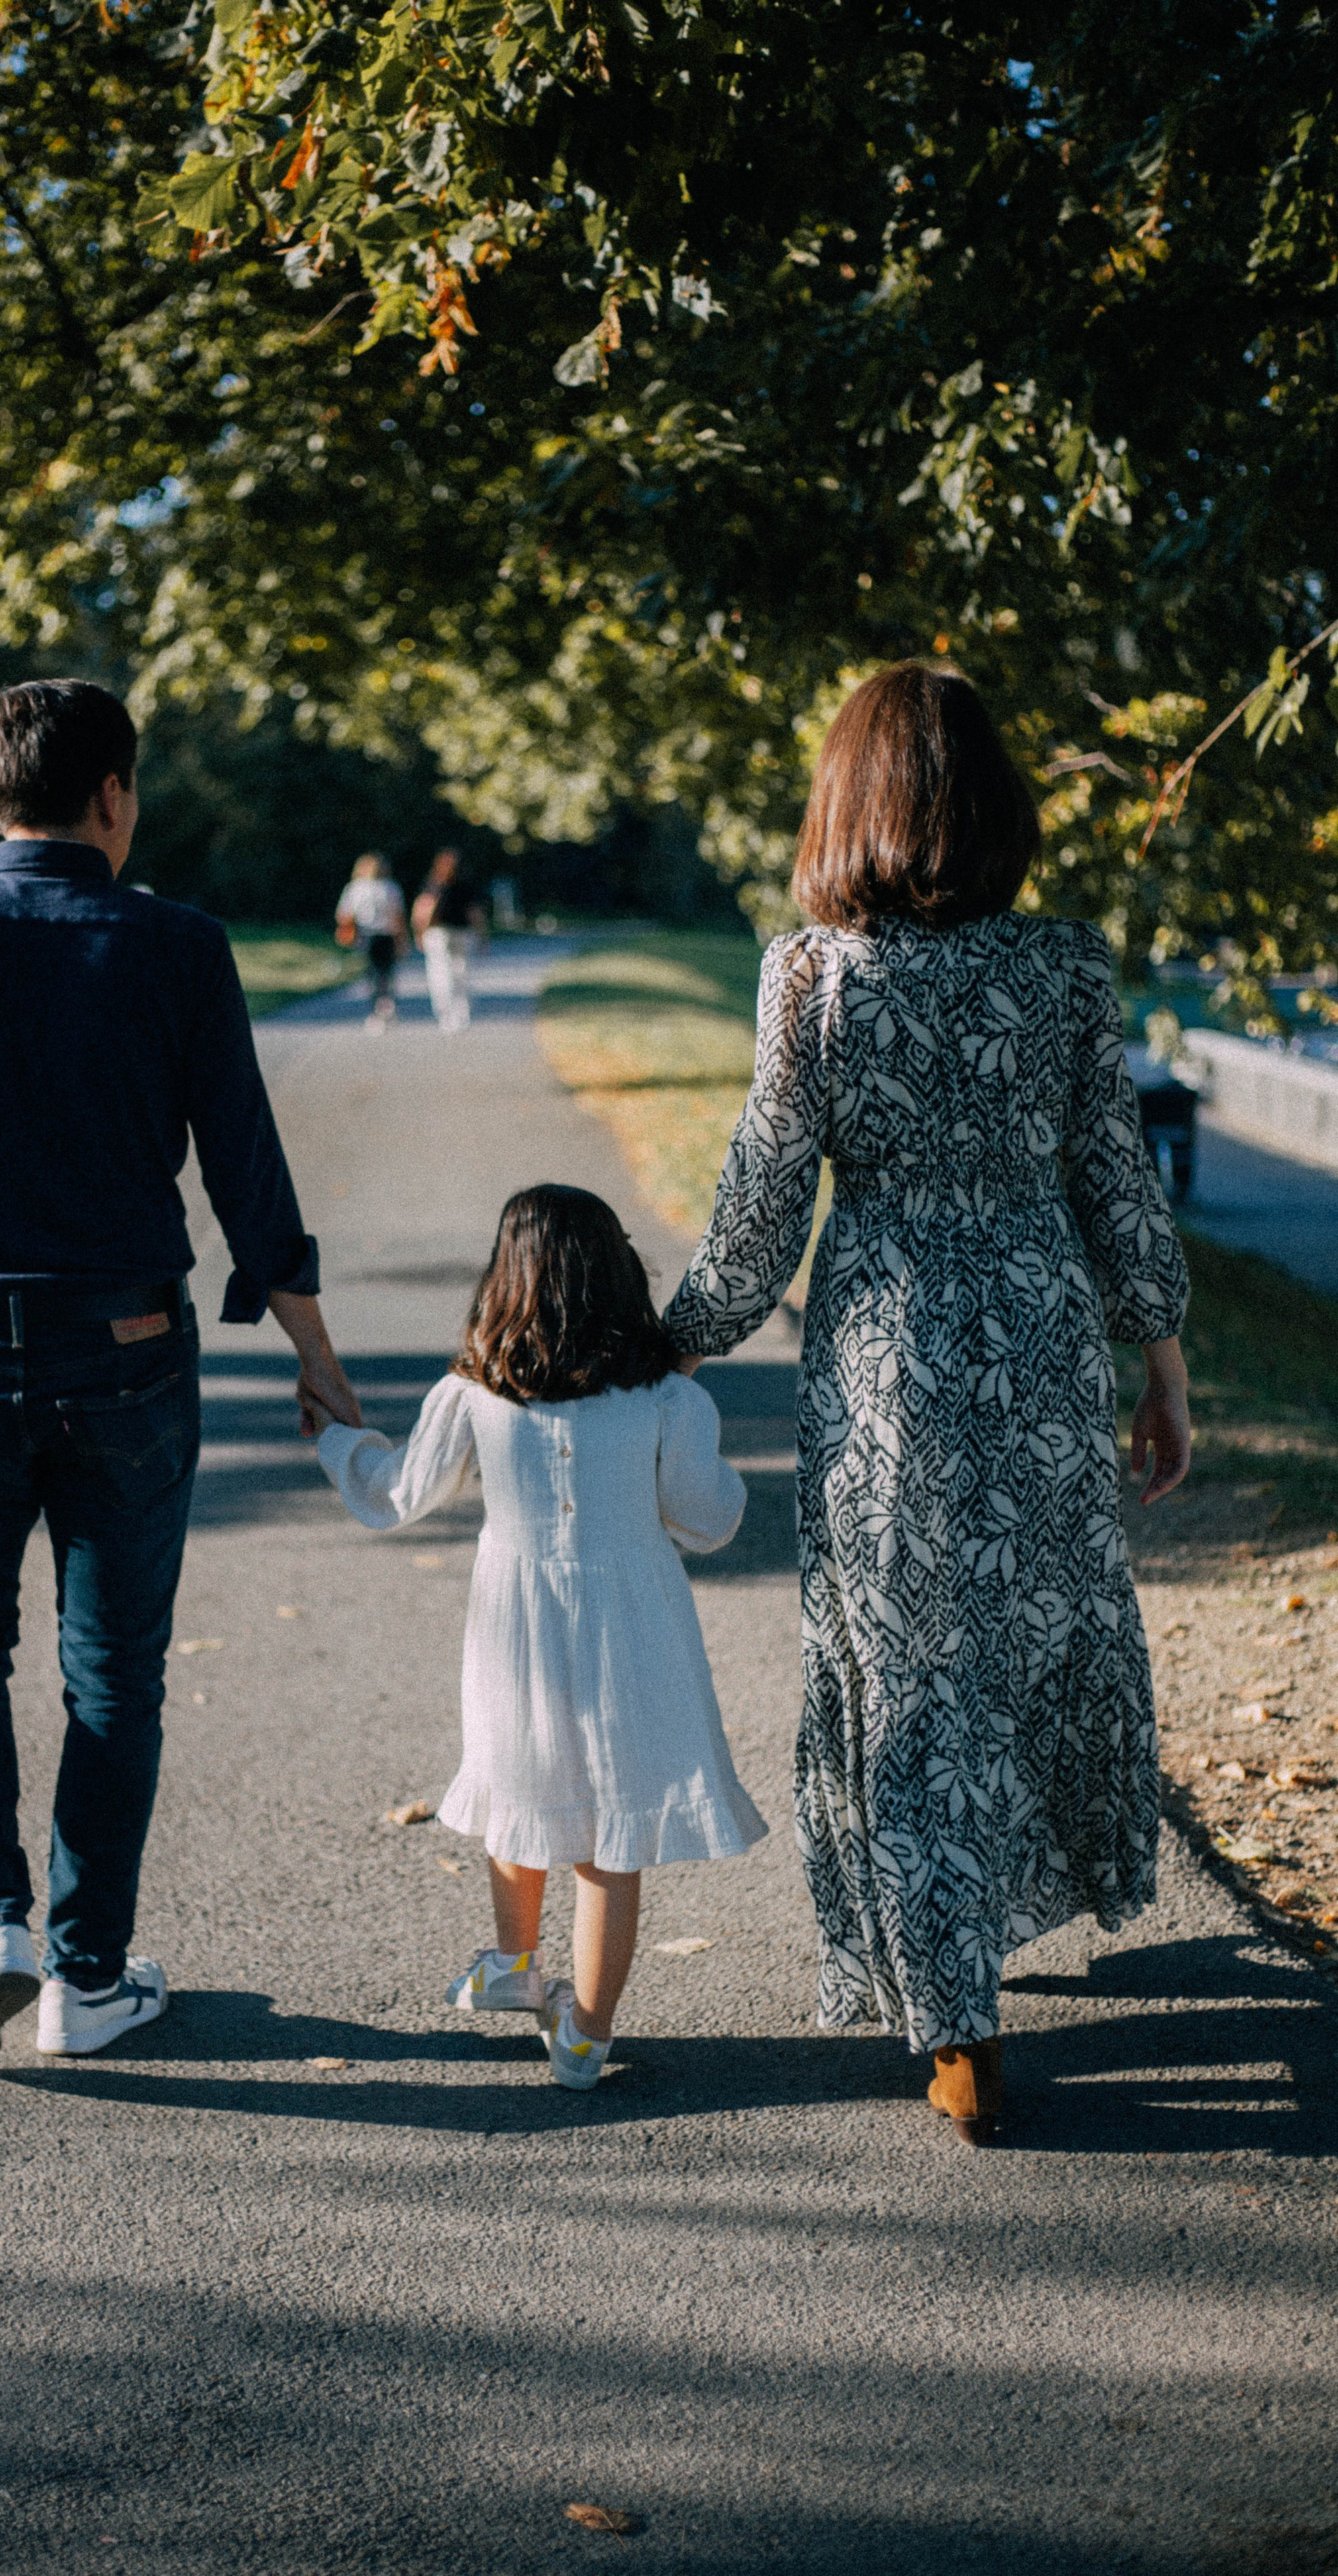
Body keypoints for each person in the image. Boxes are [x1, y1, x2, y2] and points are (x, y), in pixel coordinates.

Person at [662, 661, 1192, 2145]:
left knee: (904, 1664)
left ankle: (953, 2019)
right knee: (1029, 1627)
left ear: (850, 806)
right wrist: (1159, 1365)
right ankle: (1016, 1911)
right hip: (1036, 1339)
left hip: (885, 1351)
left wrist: (671, 1340)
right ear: (994, 807)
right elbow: (1112, 1178)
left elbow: (763, 1201)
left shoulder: (812, 977)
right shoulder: (1068, 967)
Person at [0, 679, 360, 2064]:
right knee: (112, 1669)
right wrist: (312, 1350)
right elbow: (244, 1159)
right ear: (113, 795)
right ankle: (87, 1976)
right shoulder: (178, 948)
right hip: (124, 1344)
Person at [307, 1184, 764, 2088]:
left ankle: (516, 1966)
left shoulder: (472, 1392)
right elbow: (706, 1519)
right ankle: (585, 2039)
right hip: (634, 1630)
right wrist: (716, 1464)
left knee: (519, 1787)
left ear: (503, 1281)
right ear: (620, 1277)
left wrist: (337, 1442)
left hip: (514, 1631)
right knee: (608, 1845)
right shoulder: (663, 1401)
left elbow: (398, 1494)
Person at [411, 847, 487, 1032]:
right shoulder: (466, 884)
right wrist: (483, 936)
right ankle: (462, 1014)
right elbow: (475, 913)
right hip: (463, 933)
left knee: (440, 973)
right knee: (461, 973)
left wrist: (419, 931)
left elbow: (424, 909)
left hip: (438, 934)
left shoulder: (434, 883)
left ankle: (445, 1014)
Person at [334, 851, 406, 1028]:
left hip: (366, 935)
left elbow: (343, 915)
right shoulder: (390, 887)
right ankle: (386, 1004)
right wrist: (402, 939)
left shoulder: (354, 888)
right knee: (387, 971)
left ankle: (376, 1010)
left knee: (371, 973)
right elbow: (398, 917)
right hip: (387, 934)